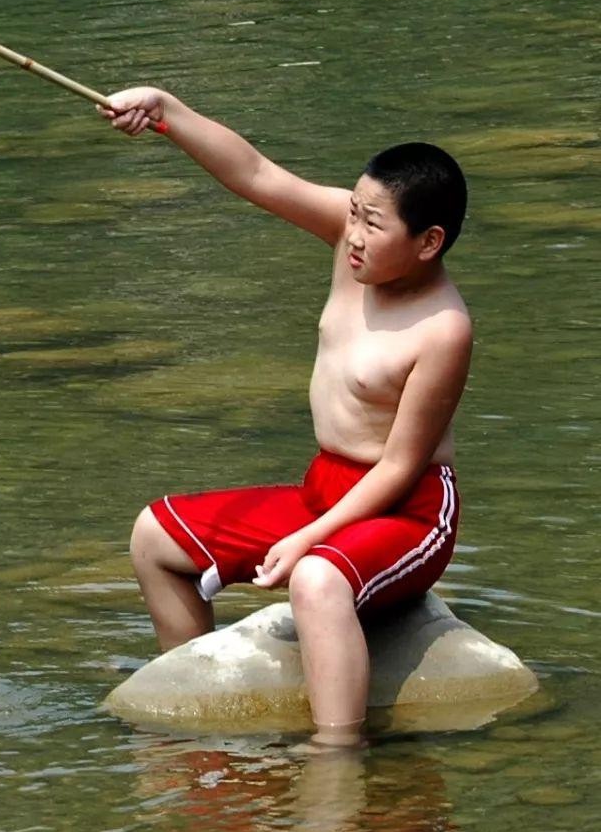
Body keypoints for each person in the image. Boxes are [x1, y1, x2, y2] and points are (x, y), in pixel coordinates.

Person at [102, 87, 472, 749]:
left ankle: (337, 758)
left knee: (318, 578)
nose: (354, 235)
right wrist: (166, 111)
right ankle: (195, 698)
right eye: (353, 213)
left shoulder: (443, 329)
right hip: (325, 486)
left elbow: (398, 465)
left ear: (429, 241)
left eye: (374, 224)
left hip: (408, 508)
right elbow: (256, 174)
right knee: (155, 537)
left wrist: (310, 541)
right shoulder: (345, 238)